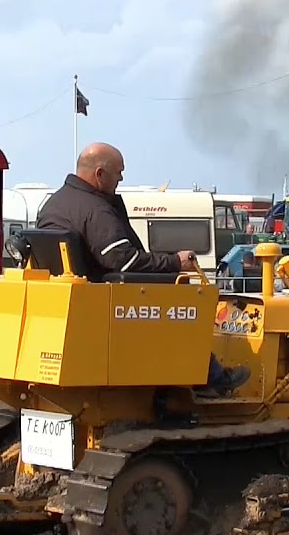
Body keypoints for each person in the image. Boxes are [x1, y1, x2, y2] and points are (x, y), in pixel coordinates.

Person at [36, 142, 250, 395]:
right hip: (108, 298)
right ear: (100, 174)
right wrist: (175, 262)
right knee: (180, 299)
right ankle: (208, 376)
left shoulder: (55, 203)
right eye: (119, 172)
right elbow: (122, 260)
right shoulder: (95, 210)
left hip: (79, 296)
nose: (122, 178)